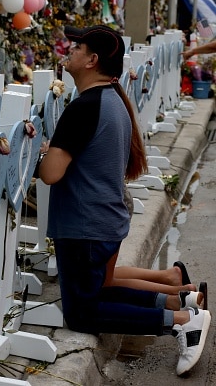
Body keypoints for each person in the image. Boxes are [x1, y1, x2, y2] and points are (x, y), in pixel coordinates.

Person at [38, 24, 211, 376]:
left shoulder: (83, 108)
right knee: (102, 287)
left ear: (92, 60)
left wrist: (43, 156)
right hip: (104, 219)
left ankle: (180, 322)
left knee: (82, 313)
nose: (70, 51)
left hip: (85, 226)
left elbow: (51, 173)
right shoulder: (113, 99)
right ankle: (179, 302)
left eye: (78, 47)